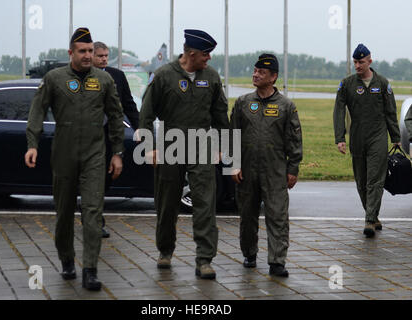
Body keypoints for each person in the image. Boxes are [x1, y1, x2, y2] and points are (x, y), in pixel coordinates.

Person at [25, 27, 125, 290]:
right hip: (64, 153)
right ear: (71, 52)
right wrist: (32, 144)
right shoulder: (55, 78)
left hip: (94, 153)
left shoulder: (104, 81)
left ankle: (90, 268)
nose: (88, 56)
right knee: (64, 212)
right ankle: (67, 259)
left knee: (93, 211)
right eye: (82, 51)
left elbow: (116, 116)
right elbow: (37, 111)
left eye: (91, 51)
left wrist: (117, 153)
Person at [138, 29, 229, 279]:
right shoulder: (164, 75)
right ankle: (165, 251)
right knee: (167, 203)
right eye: (205, 54)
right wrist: (149, 148)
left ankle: (204, 260)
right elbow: (146, 113)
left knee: (205, 203)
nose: (209, 58)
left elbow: (221, 114)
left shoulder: (211, 77)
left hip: (202, 144)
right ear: (190, 53)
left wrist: (223, 147)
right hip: (169, 144)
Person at [230, 54, 302, 277]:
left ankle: (277, 261)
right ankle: (249, 254)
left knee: (277, 216)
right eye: (255, 70)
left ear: (273, 77)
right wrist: (233, 165)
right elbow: (231, 136)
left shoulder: (286, 106)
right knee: (247, 216)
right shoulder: (243, 103)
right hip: (247, 171)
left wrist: (293, 169)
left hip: (275, 172)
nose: (255, 74)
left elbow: (294, 140)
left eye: (261, 72)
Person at [333, 44, 401, 238]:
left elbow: (390, 112)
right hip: (357, 136)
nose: (357, 65)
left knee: (375, 180)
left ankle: (369, 220)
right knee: (361, 181)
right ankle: (373, 214)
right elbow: (338, 111)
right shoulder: (347, 84)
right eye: (355, 62)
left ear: (370, 61)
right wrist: (340, 137)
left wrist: (395, 137)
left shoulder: (382, 83)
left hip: (378, 136)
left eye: (361, 62)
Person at [93, 41, 139, 238]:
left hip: (109, 137)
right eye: (100, 56)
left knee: (104, 181)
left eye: (106, 55)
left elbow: (128, 104)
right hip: (86, 137)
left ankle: (92, 216)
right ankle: (95, 221)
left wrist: (140, 128)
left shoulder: (117, 76)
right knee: (92, 182)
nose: (104, 59)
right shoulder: (82, 77)